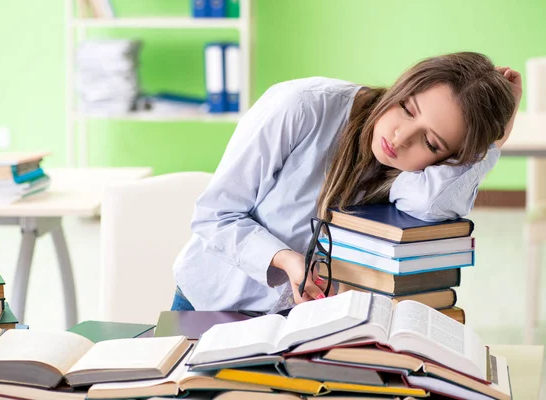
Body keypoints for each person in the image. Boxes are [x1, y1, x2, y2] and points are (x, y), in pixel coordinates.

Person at [171, 52, 522, 312]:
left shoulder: (408, 175)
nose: (400, 138)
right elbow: (215, 216)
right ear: (401, 86)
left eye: (430, 143)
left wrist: (493, 142)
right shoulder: (302, 106)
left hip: (303, 322)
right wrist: (286, 260)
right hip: (209, 306)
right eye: (406, 108)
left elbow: (432, 203)